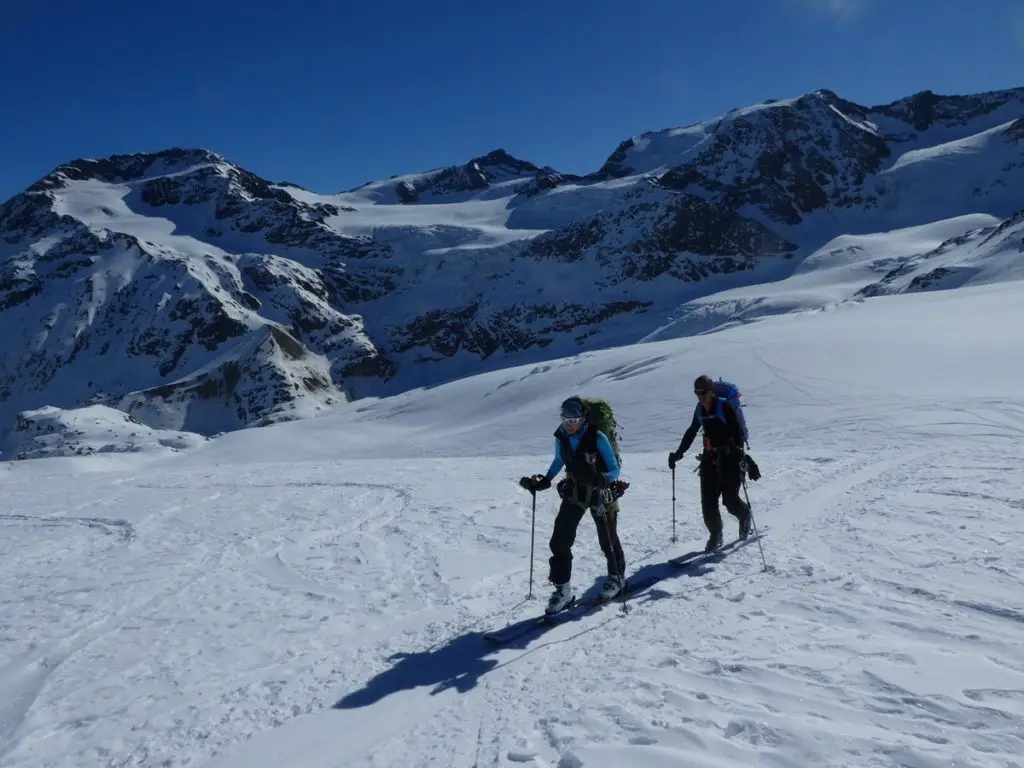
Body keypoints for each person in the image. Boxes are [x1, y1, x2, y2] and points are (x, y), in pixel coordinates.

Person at [519, 396, 626, 614]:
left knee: (608, 539)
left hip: (599, 491)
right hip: (575, 491)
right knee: (560, 540)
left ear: (583, 418)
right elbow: (559, 460)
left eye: (573, 419)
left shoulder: (597, 437)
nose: (569, 424)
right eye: (565, 419)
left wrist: (605, 479)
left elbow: (614, 468)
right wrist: (546, 479)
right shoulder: (562, 437)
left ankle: (617, 578)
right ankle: (563, 590)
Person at [668, 374, 752, 553]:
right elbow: (691, 431)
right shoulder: (700, 409)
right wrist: (679, 453)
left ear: (712, 391)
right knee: (708, 502)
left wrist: (742, 458)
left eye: (703, 392)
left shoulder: (725, 406)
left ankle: (745, 515)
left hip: (730, 458)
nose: (700, 396)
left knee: (730, 501)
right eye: (697, 393)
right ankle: (716, 534)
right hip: (710, 459)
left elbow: (737, 435)